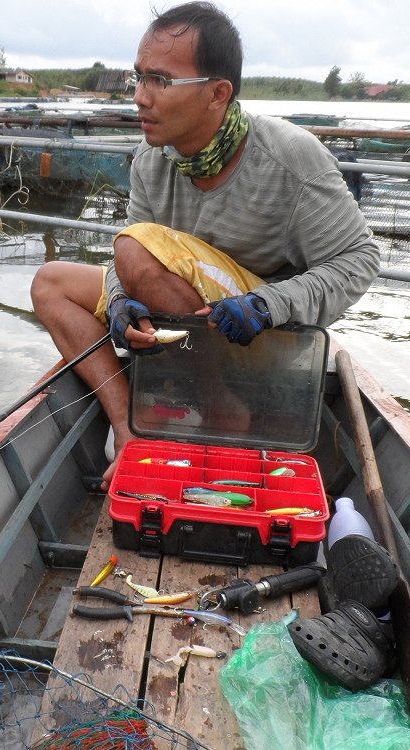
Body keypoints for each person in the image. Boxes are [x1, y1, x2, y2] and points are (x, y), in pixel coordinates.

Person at [30, 1, 379, 487]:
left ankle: (224, 406)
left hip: (260, 334)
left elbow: (359, 261)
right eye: (139, 77)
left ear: (218, 93)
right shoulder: (152, 161)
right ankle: (128, 425)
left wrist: (266, 303)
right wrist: (119, 302)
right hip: (187, 314)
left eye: (160, 81)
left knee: (134, 251)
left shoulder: (292, 159)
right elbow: (128, 251)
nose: (140, 97)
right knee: (52, 284)